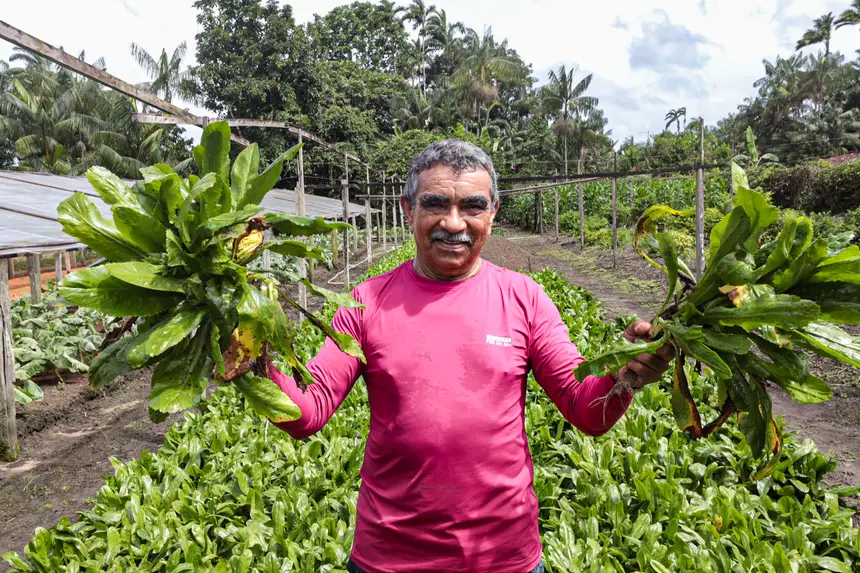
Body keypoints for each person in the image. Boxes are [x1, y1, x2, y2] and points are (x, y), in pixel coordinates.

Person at [268, 139, 673, 573]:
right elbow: (307, 411)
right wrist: (247, 359)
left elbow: (585, 410)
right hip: (389, 560)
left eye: (473, 207)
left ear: (493, 213)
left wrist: (624, 375)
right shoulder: (366, 302)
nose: (453, 222)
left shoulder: (525, 298)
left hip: (503, 559)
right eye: (435, 204)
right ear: (409, 210)